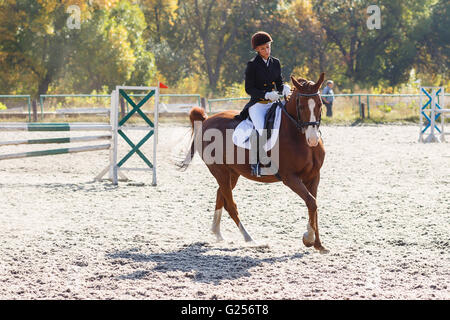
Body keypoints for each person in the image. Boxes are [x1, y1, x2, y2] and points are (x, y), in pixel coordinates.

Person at [235, 31, 290, 176]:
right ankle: (256, 164)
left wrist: (284, 88)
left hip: (273, 102)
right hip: (258, 104)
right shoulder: (252, 65)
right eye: (263, 49)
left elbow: (279, 82)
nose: (266, 51)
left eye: (268, 47)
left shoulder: (275, 62)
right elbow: (249, 89)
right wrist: (265, 94)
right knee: (262, 129)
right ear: (257, 50)